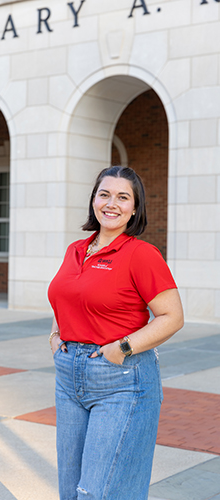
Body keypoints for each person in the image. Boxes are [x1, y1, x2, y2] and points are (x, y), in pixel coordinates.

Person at [47, 166, 184, 500]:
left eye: (123, 197)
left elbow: (172, 316)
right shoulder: (76, 249)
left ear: (134, 208)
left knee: (100, 493)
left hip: (121, 381)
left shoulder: (141, 254)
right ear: (94, 200)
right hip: (69, 379)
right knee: (71, 490)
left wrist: (121, 348)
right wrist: (54, 336)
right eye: (104, 194)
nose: (112, 203)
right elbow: (65, 298)